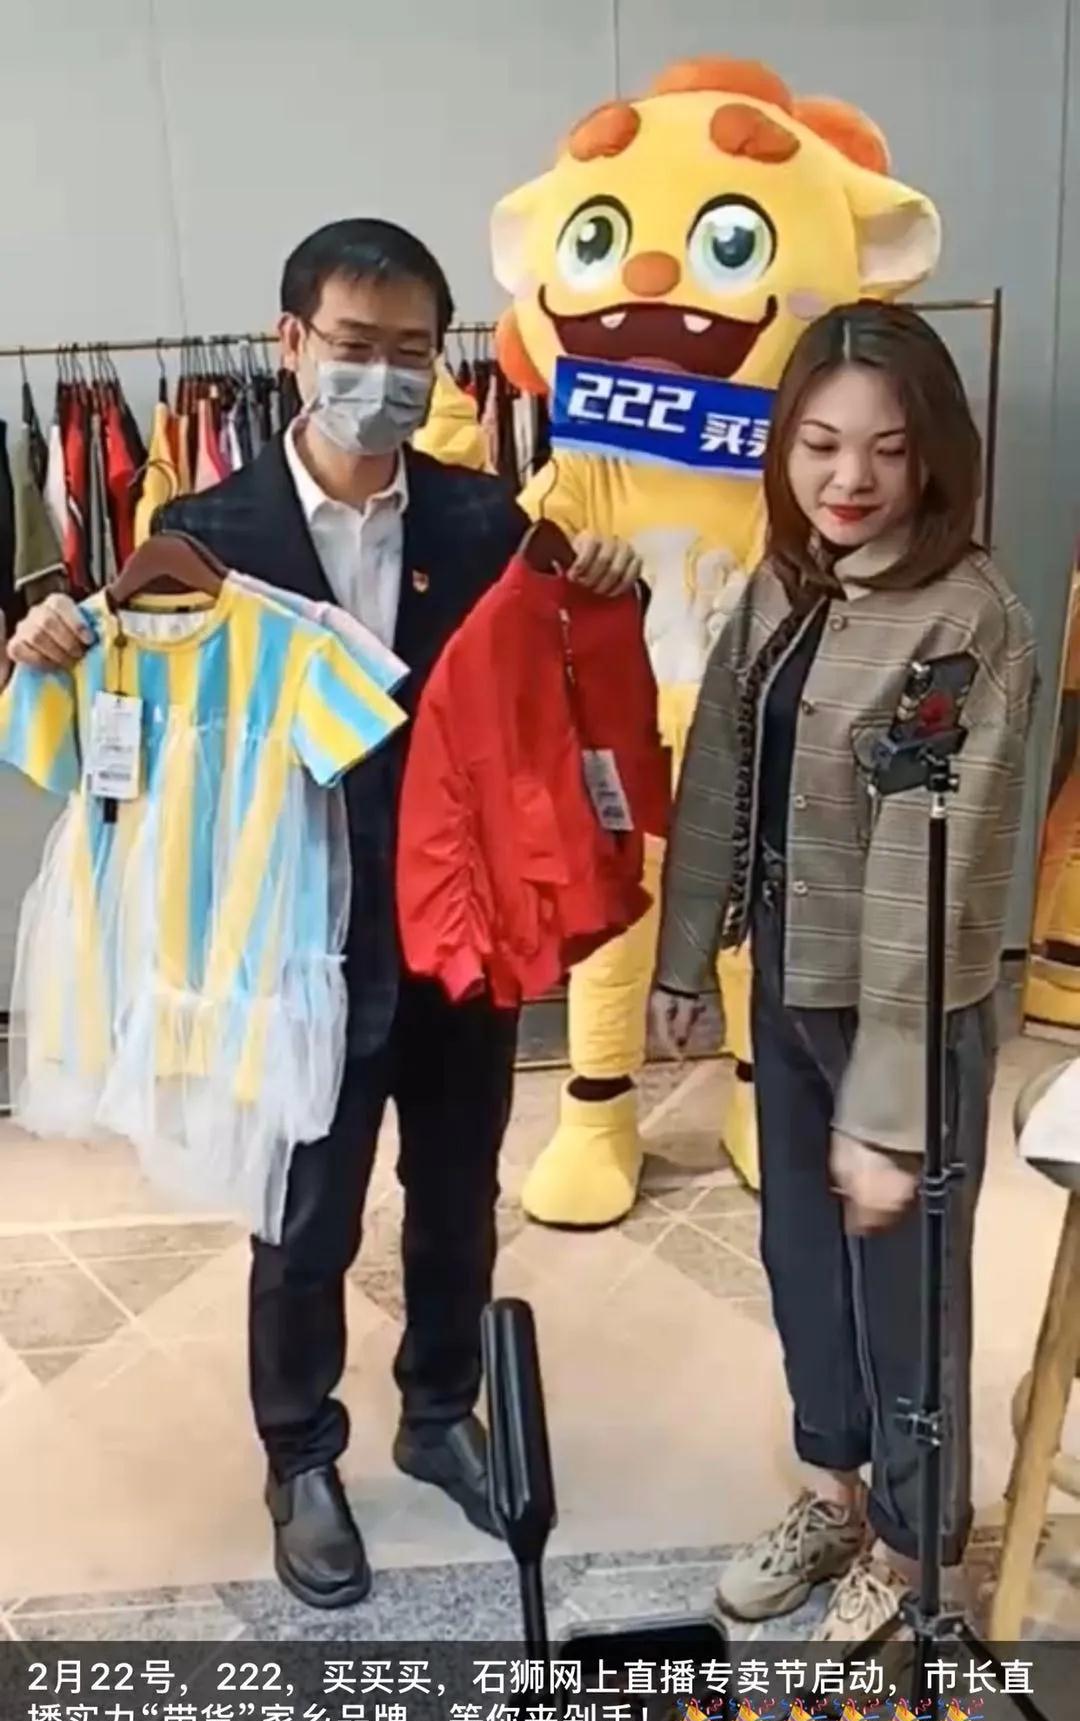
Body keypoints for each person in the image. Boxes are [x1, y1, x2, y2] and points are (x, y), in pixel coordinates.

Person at [1, 218, 641, 1611]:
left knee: (457, 1194)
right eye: (356, 345)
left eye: (413, 352)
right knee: (303, 1217)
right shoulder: (206, 534)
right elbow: (133, 721)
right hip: (293, 941)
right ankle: (299, 1455)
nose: (384, 377)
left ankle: (438, 1410)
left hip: (454, 931)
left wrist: (611, 582)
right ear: (292, 344)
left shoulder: (483, 520)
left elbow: (549, 678)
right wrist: (50, 637)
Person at [651, 300, 1036, 1643]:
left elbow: (933, 859)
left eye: (886, 449)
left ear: (936, 456)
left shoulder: (970, 617)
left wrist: (882, 1096)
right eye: (819, 445)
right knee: (803, 1256)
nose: (850, 478)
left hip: (904, 1015)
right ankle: (834, 1495)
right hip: (788, 984)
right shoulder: (784, 583)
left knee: (907, 1290)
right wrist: (686, 955)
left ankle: (919, 1553)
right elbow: (717, 769)